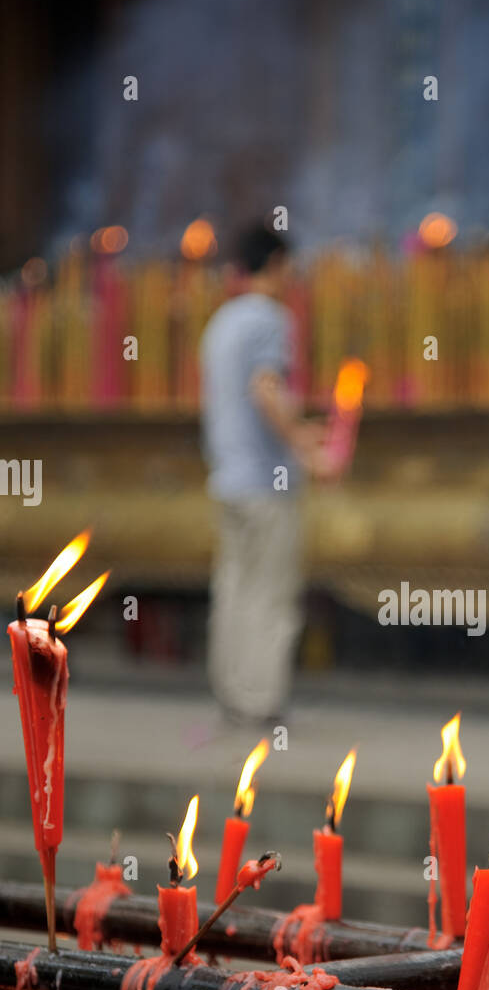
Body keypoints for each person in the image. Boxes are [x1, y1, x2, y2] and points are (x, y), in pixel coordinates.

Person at [200, 223, 326, 725]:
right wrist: (303, 443)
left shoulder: (222, 322)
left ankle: (232, 693)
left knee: (233, 587)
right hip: (266, 482)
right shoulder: (270, 318)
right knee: (270, 593)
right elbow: (266, 389)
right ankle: (261, 701)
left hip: (227, 478)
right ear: (275, 265)